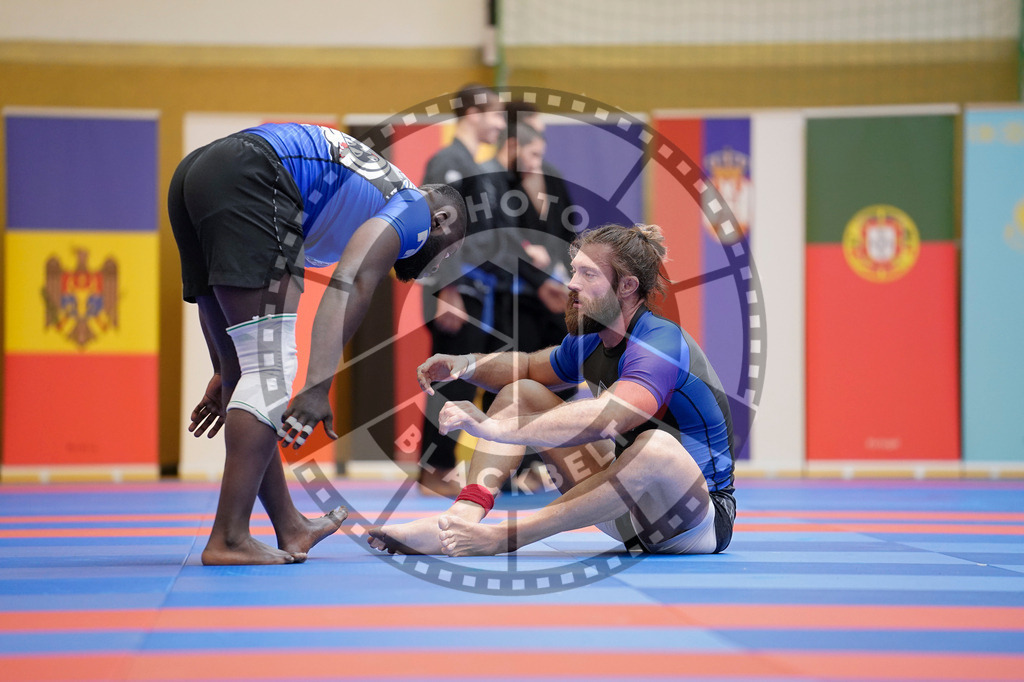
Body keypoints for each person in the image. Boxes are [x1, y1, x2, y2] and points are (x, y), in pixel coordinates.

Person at [168, 122, 467, 565]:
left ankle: (291, 527)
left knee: (249, 374)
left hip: (198, 172)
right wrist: (315, 384)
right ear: (440, 221)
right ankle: (229, 537)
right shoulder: (413, 207)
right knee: (271, 371)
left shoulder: (364, 196)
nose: (435, 267)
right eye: (445, 253)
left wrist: (223, 369)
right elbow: (353, 280)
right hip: (255, 171)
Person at [367, 223, 736, 557]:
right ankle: (460, 518)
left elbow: (610, 415)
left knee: (656, 448)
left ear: (627, 286)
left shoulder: (660, 342)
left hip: (691, 520)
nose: (571, 283)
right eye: (574, 270)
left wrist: (496, 429)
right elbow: (525, 367)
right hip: (622, 509)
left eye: (587, 273)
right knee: (523, 391)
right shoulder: (590, 339)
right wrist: (466, 364)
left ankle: (507, 537)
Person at [417, 84, 507, 495]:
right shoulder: (447, 161)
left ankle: (480, 470)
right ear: (472, 113)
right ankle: (433, 472)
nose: (501, 124)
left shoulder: (480, 168)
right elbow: (437, 229)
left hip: (483, 291)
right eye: (495, 115)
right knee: (449, 383)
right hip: (456, 290)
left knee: (471, 381)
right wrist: (445, 290)